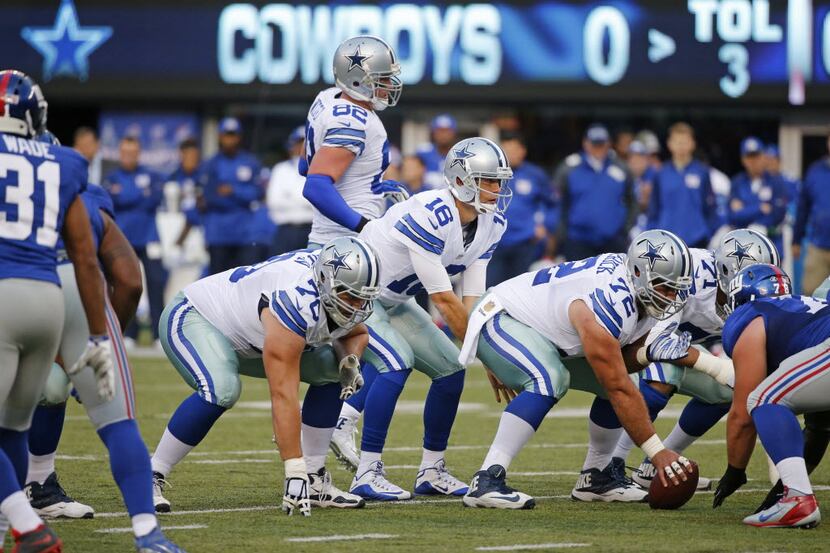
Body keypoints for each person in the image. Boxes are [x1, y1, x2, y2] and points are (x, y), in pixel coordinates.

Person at [22, 133, 184, 551]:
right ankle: (147, 531)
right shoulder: (79, 185)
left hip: (15, 294)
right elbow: (129, 280)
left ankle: (31, 495)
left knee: (29, 402)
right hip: (77, 292)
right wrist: (104, 337)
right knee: (116, 420)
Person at [459, 230, 697, 509]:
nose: (671, 297)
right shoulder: (610, 300)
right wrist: (657, 452)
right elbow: (616, 384)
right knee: (550, 379)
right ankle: (486, 479)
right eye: (664, 287)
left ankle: (596, 477)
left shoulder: (636, 292)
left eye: (677, 289)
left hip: (543, 332)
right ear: (637, 273)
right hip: (501, 315)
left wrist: (646, 354)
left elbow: (618, 363)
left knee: (627, 379)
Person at [331, 138, 512, 501]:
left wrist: (484, 351)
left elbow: (471, 296)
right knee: (395, 363)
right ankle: (367, 470)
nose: (497, 189)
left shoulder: (492, 223)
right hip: (357, 297)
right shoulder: (431, 212)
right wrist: (490, 358)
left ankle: (432, 469)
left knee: (451, 369)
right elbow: (444, 299)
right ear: (462, 180)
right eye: (488, 181)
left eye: (499, 181)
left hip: (394, 299)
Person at [150, 238, 380, 515]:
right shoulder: (295, 301)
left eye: (362, 298)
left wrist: (348, 361)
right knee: (221, 389)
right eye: (350, 296)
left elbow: (357, 334)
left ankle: (314, 477)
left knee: (332, 370)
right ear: (324, 281)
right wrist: (292, 468)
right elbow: (283, 394)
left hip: (253, 337)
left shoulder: (339, 287)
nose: (357, 306)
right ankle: (150, 475)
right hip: (198, 316)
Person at [0, 69, 112, 552]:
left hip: (4, 294)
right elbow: (91, 259)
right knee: (12, 428)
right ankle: (25, 511)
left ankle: (27, 524)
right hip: (50, 299)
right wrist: (101, 337)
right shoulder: (64, 162)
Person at [610, 229, 780, 490]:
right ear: (725, 272)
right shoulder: (689, 276)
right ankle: (612, 466)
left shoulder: (747, 296)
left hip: (670, 344)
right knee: (664, 372)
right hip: (631, 345)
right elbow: (658, 342)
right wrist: (715, 366)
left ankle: (654, 466)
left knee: (727, 390)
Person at [712, 263, 825, 528]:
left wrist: (735, 470)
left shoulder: (752, 315)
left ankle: (797, 500)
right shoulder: (803, 309)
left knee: (763, 399)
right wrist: (780, 487)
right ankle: (793, 494)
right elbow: (820, 430)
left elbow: (742, 415)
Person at [301, 35, 407, 250]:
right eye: (382, 78)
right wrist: (365, 227)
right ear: (357, 80)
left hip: (325, 238)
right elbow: (315, 185)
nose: (388, 85)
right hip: (346, 246)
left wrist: (369, 183)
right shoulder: (352, 121)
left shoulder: (327, 97)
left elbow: (305, 166)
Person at [102, 136, 166, 346]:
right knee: (123, 284)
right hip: (123, 238)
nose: (129, 157)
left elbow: (153, 199)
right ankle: (128, 333)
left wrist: (127, 198)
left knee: (156, 284)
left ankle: (158, 334)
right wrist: (138, 197)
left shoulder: (151, 175)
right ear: (120, 154)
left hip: (148, 236)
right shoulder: (112, 178)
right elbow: (111, 201)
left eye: (133, 152)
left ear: (139, 154)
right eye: (125, 152)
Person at [552, 124, 633, 260]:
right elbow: (557, 201)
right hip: (577, 240)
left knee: (612, 280)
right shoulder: (570, 168)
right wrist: (562, 233)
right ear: (585, 143)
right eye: (595, 143)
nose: (598, 148)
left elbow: (632, 201)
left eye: (601, 143)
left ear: (609, 144)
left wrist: (625, 228)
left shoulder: (621, 167)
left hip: (612, 239)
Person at [487, 131, 554, 286]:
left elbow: (552, 203)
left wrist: (545, 226)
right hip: (493, 244)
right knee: (492, 292)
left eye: (514, 150)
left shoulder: (535, 175)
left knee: (522, 291)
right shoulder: (488, 174)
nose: (510, 155)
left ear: (523, 151)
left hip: (525, 242)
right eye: (506, 150)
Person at [201, 117, 265, 275]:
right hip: (218, 233)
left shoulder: (250, 162)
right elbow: (210, 197)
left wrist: (233, 190)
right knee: (217, 281)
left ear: (239, 137)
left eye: (233, 135)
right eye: (226, 135)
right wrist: (242, 197)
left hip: (245, 233)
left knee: (245, 279)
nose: (230, 139)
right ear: (220, 137)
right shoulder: (211, 164)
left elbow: (258, 193)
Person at [647, 122, 719, 248]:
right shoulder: (661, 173)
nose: (681, 145)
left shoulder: (702, 172)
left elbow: (711, 208)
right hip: (666, 242)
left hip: (697, 240)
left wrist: (707, 233)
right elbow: (654, 209)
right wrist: (654, 235)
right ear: (669, 144)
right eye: (677, 141)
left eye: (684, 141)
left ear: (692, 143)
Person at [728, 137, 789, 255]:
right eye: (749, 157)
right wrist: (759, 208)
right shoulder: (737, 182)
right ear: (743, 160)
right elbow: (733, 216)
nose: (753, 161)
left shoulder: (776, 181)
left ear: (763, 157)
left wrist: (744, 209)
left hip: (771, 245)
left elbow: (777, 214)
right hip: (742, 247)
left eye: (757, 156)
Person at [267, 126, 314, 255]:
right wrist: (305, 200)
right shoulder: (280, 169)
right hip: (286, 231)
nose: (302, 148)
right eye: (299, 143)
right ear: (291, 145)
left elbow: (321, 203)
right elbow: (274, 202)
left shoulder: (319, 170)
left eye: (305, 144)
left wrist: (291, 197)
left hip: (311, 230)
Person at [793, 134, 830, 294]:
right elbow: (803, 208)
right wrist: (796, 239)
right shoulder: (815, 171)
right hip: (818, 246)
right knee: (811, 297)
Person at [166, 137, 204, 250]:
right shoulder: (173, 178)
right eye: (189, 155)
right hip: (174, 228)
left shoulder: (204, 177)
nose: (193, 159)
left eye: (195, 156)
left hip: (199, 230)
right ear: (182, 154)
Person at [415, 114, 458, 190]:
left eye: (447, 131)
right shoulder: (423, 151)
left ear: (454, 133)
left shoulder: (461, 155)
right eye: (440, 131)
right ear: (433, 133)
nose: (443, 135)